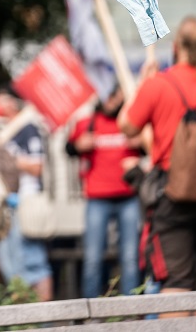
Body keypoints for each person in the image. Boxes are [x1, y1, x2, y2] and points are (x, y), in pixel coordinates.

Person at [118, 16, 196, 315]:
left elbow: (127, 127)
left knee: (176, 283)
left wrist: (143, 83)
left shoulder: (157, 86)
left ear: (175, 47)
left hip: (171, 195)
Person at [66, 86, 143, 298]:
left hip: (128, 196)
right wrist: (78, 145)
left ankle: (131, 309)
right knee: (92, 257)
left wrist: (141, 142)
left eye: (116, 97)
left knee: (130, 257)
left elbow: (151, 146)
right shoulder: (87, 123)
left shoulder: (130, 123)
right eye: (108, 97)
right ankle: (91, 310)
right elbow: (69, 149)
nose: (111, 102)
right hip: (97, 197)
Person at [0, 89, 53, 302]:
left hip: (27, 201)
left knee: (34, 263)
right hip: (9, 203)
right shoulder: (5, 130)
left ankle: (44, 316)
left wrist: (10, 159)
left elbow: (37, 166)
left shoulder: (28, 127)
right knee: (12, 264)